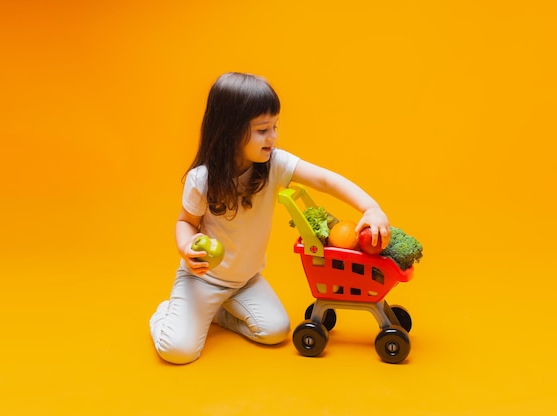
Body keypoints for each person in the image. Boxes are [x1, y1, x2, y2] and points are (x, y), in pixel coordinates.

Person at [150, 72, 390, 364]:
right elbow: (185, 222)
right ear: (230, 132)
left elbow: (326, 180)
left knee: (275, 332)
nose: (273, 137)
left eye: (275, 127)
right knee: (178, 351)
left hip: (246, 281)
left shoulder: (274, 164)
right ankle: (169, 311)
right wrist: (186, 247)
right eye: (263, 130)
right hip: (203, 280)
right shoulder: (203, 180)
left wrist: (371, 208)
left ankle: (218, 312)